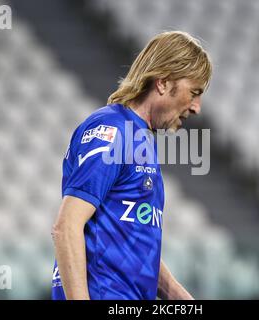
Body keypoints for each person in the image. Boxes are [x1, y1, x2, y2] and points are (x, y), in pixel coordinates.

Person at [51, 31, 212, 300]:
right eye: (193, 92)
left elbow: (133, 248)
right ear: (163, 82)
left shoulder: (138, 139)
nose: (196, 107)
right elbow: (66, 226)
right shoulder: (112, 130)